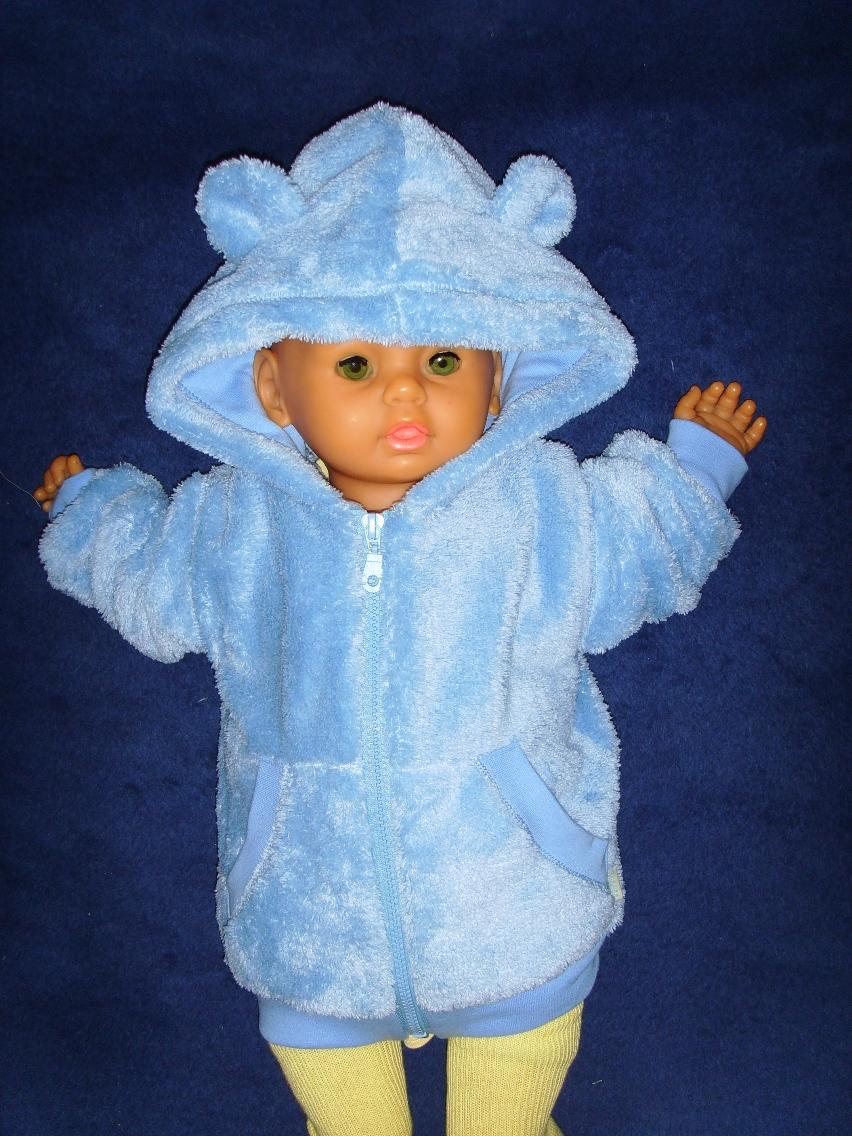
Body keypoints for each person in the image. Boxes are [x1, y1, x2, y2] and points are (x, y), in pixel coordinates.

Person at [34, 103, 765, 1136]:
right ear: (272, 386)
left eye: (443, 361)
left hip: (510, 912)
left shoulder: (540, 506)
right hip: (310, 930)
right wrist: (93, 512)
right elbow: (149, 580)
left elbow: (636, 547)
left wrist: (694, 471)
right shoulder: (235, 523)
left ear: (499, 378)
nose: (405, 396)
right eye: (354, 366)